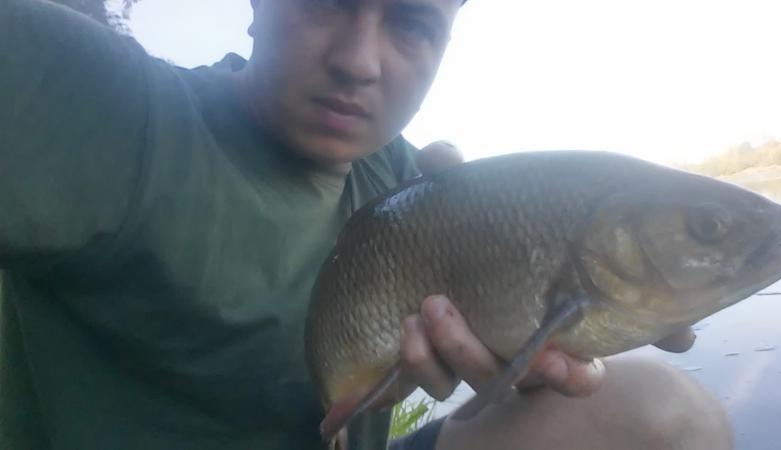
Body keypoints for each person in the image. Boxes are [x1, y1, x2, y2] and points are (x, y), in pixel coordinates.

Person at [0, 0, 733, 449]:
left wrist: (539, 359)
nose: (357, 61)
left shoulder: (412, 182)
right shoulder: (112, 109)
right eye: (326, 1)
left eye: (412, 23)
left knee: (666, 413)